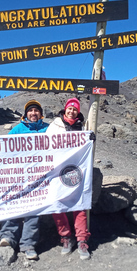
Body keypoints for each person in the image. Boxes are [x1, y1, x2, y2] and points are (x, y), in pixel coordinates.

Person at [0, 99, 49, 260]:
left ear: (41, 114)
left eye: (36, 110)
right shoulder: (17, 129)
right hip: (18, 175)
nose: (33, 113)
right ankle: (8, 237)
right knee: (13, 203)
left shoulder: (48, 129)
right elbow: (3, 148)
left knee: (32, 208)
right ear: (25, 113)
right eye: (30, 110)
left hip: (39, 176)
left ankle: (28, 244)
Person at [46, 97, 92, 260]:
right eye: (69, 108)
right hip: (57, 171)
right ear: (65, 109)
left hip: (76, 170)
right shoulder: (55, 125)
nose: (72, 111)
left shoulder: (84, 127)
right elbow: (46, 145)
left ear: (78, 111)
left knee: (80, 203)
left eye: (75, 109)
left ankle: (82, 239)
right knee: (56, 203)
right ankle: (65, 236)